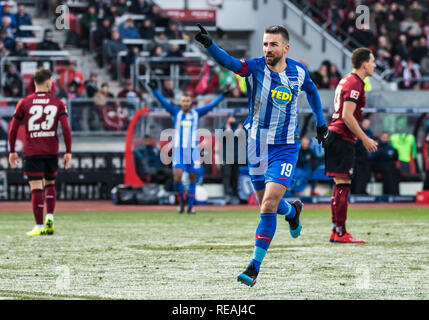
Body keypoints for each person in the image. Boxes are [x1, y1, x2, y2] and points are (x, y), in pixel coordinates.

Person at [195, 24, 327, 287]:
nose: (267, 49)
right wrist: (210, 45)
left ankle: (254, 267)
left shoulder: (298, 72)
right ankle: (292, 212)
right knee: (267, 204)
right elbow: (231, 63)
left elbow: (311, 91)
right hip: (256, 145)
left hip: (285, 147)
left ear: (286, 48)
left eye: (273, 44)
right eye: (265, 44)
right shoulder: (254, 67)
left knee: (267, 205)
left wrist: (321, 123)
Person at [8, 69, 72, 236]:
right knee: (50, 184)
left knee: (36, 188)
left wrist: (12, 150)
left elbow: (13, 129)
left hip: (33, 151)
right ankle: (50, 217)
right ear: (48, 83)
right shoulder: (58, 102)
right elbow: (66, 128)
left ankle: (38, 226)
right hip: (51, 150)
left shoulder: (24, 102)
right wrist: (68, 151)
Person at [148, 79, 227, 214]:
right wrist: (154, 90)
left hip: (193, 151)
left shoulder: (196, 113)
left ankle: (190, 207)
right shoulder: (175, 112)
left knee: (192, 179)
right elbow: (163, 102)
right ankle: (182, 201)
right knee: (177, 177)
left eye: (187, 101)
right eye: (183, 101)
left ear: (191, 103)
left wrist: (222, 96)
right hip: (179, 150)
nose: (185, 103)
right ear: (181, 103)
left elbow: (211, 106)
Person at [324, 47, 378, 244]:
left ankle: (336, 230)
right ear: (364, 64)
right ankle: (341, 232)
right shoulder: (355, 83)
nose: (374, 65)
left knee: (339, 185)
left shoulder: (346, 80)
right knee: (343, 185)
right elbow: (347, 115)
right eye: (372, 61)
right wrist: (365, 138)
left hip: (335, 135)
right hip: (341, 137)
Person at [351, 118, 374, 195]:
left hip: (367, 157)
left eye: (368, 124)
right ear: (362, 123)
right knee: (357, 175)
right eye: (365, 123)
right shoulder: (357, 131)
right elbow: (354, 144)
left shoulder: (370, 132)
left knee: (366, 175)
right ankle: (356, 191)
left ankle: (363, 191)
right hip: (357, 157)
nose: (366, 125)